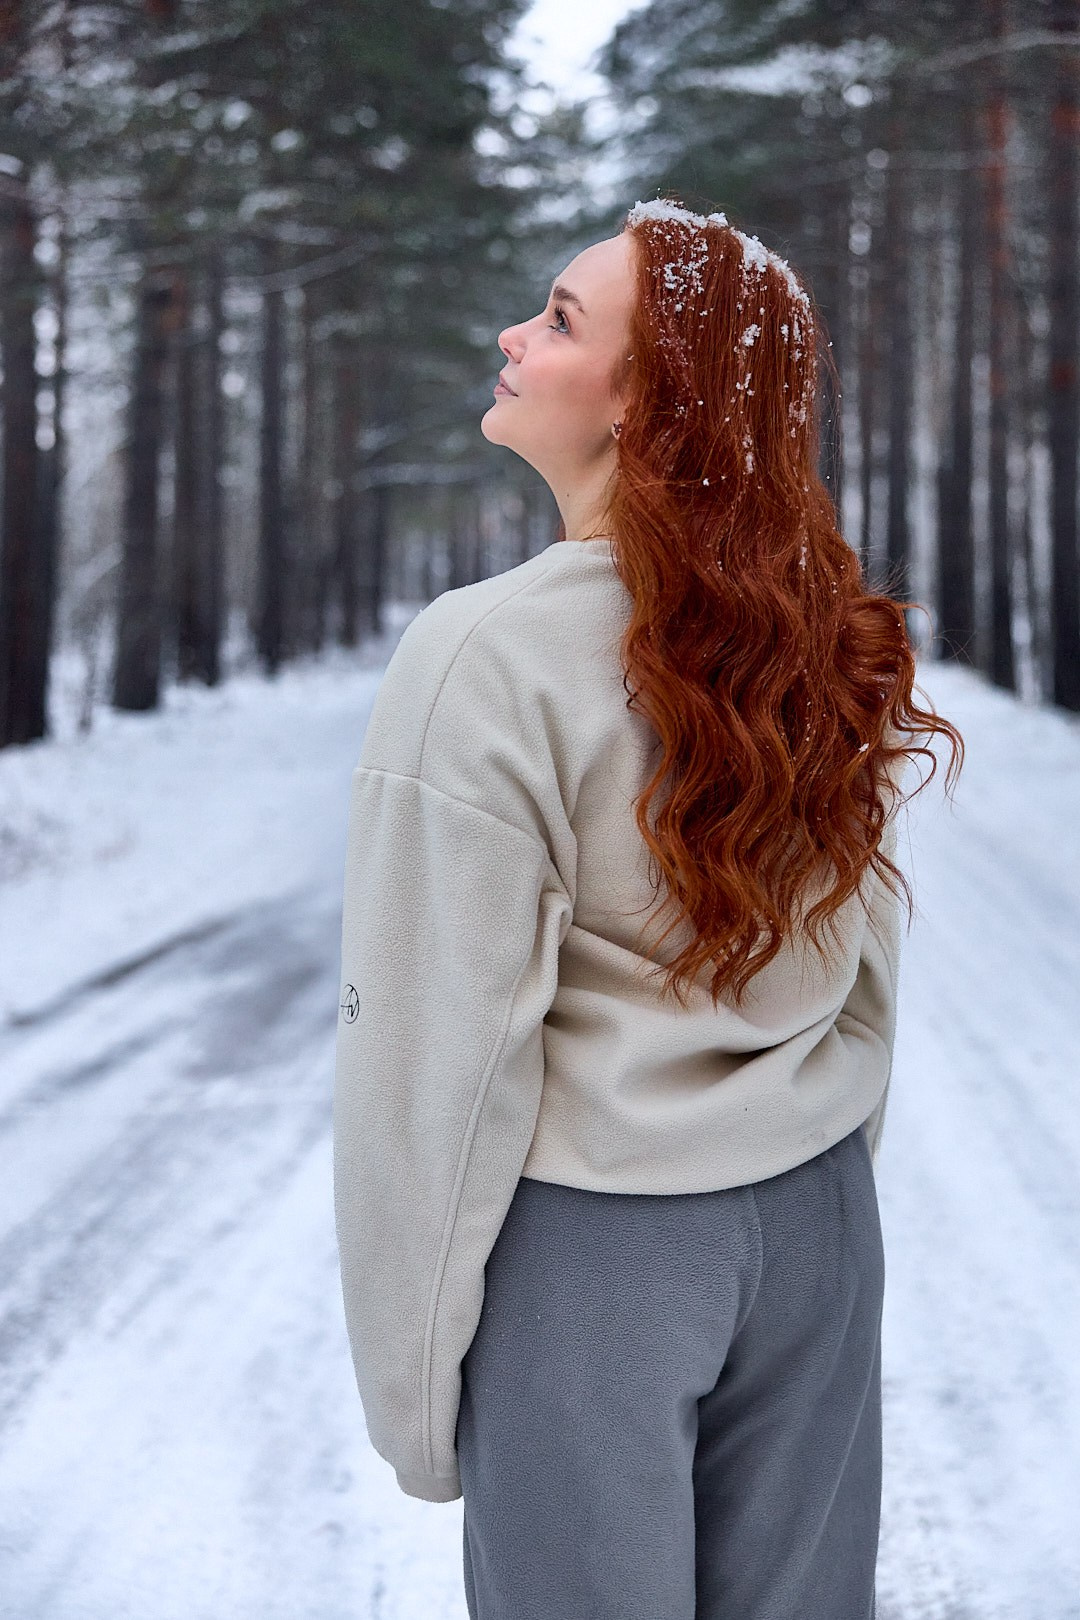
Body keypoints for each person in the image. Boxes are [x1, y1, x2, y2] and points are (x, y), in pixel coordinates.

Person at [332, 195, 965, 1620]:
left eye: (559, 320)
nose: (514, 333)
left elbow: (433, 1057)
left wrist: (416, 1391)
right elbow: (867, 948)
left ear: (651, 404)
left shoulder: (481, 655)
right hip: (815, 1228)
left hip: (597, 1256)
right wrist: (823, 1159)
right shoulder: (806, 620)